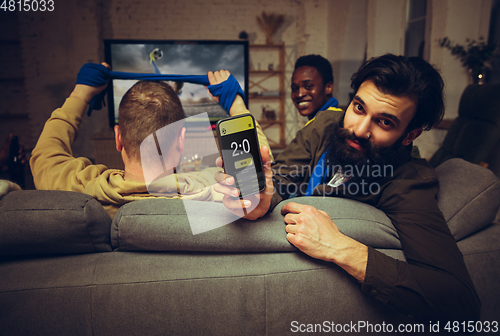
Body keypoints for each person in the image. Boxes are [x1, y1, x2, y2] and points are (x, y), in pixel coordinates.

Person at [214, 54, 480, 324]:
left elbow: (460, 301)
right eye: (359, 108)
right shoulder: (325, 126)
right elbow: (283, 180)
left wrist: (341, 248)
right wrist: (264, 199)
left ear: (410, 135)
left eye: (385, 122)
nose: (359, 129)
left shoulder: (409, 184)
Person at [30, 64, 272, 219]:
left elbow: (45, 155)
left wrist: (80, 93)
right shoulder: (219, 194)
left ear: (118, 138)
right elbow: (260, 161)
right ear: (182, 140)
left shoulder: (78, 188)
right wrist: (234, 101)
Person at [291, 54, 341, 122]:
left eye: (308, 86)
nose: (299, 94)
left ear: (328, 87)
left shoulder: (329, 123)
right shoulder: (318, 123)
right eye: (295, 88)